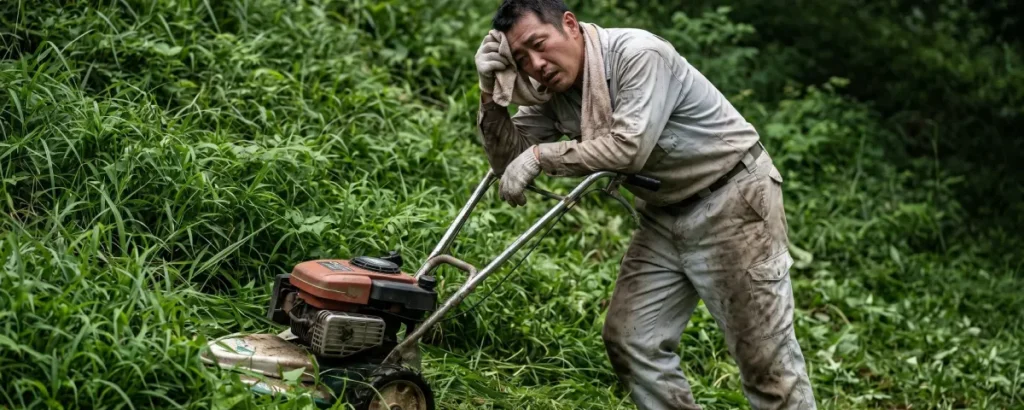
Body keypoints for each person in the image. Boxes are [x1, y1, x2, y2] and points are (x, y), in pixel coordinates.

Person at [473, 1, 817, 409]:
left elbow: (627, 148)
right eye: (522, 60)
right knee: (632, 340)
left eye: (539, 45)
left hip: (733, 202)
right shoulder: (553, 93)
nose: (537, 65)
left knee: (766, 367)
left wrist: (541, 157)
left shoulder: (638, 54)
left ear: (569, 25)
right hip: (662, 214)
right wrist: (491, 94)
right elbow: (506, 161)